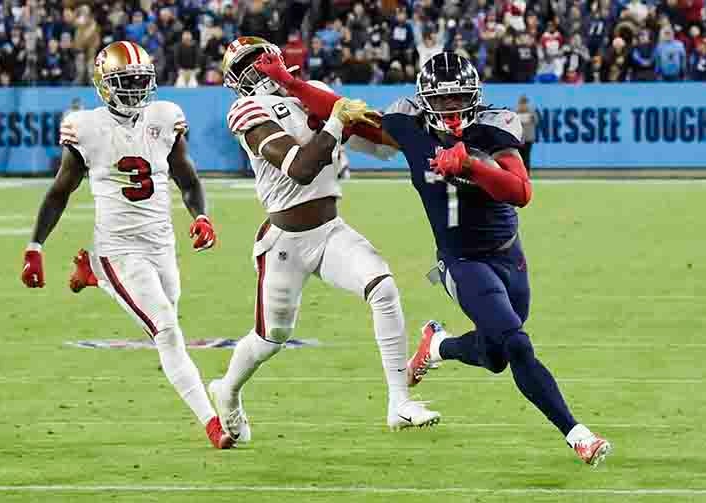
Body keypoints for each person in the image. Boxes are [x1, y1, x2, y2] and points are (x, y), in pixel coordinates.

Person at [254, 50, 612, 467]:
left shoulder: (493, 126)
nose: (450, 107)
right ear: (425, 101)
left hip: (509, 257)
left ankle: (436, 345)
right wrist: (292, 83)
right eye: (441, 100)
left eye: (458, 97)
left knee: (496, 356)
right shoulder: (409, 125)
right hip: (462, 262)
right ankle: (578, 434)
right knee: (515, 344)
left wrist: (473, 166)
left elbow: (521, 191)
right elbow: (345, 112)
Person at [210, 36, 440, 443]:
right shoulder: (246, 111)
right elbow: (299, 167)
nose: (254, 71)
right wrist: (335, 120)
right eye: (244, 66)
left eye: (258, 60)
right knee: (270, 339)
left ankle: (398, 404)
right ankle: (227, 389)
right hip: (285, 242)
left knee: (383, 288)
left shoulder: (306, 98)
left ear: (276, 60)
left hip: (330, 231)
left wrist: (405, 127)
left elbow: (384, 145)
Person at [20, 41, 232, 450]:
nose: (135, 90)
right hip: (118, 247)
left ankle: (92, 276)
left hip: (161, 243)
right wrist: (35, 246)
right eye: (125, 82)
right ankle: (211, 423)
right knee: (167, 329)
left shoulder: (166, 116)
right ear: (103, 84)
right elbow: (59, 192)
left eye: (140, 81)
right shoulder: (85, 126)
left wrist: (200, 216)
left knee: (165, 316)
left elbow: (187, 179)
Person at [516, 96, 537, 172]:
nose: (524, 105)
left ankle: (527, 174)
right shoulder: (516, 112)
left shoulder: (531, 112)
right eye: (522, 103)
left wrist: (530, 114)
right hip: (519, 139)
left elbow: (536, 121)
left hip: (528, 138)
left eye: (525, 103)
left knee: (526, 157)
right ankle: (520, 174)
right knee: (519, 158)